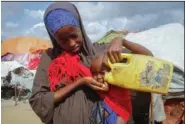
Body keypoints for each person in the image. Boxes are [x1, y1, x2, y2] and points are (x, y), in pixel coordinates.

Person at [29, 2, 153, 124]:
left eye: (74, 35)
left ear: (81, 28)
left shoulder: (101, 51)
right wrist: (79, 82)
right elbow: (38, 100)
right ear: (54, 39)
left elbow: (148, 58)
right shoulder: (50, 58)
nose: (71, 43)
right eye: (63, 40)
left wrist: (121, 41)